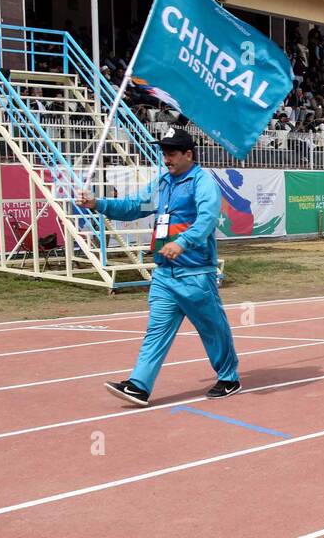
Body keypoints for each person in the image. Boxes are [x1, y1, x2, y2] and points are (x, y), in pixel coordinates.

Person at [76, 129, 239, 406]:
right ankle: (139, 385)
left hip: (196, 273)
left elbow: (208, 218)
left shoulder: (202, 182)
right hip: (164, 274)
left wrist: (183, 243)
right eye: (164, 153)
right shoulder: (163, 184)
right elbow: (133, 207)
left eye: (172, 153)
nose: (166, 159)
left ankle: (229, 377)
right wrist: (98, 203)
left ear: (188, 154)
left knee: (212, 329)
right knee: (156, 331)